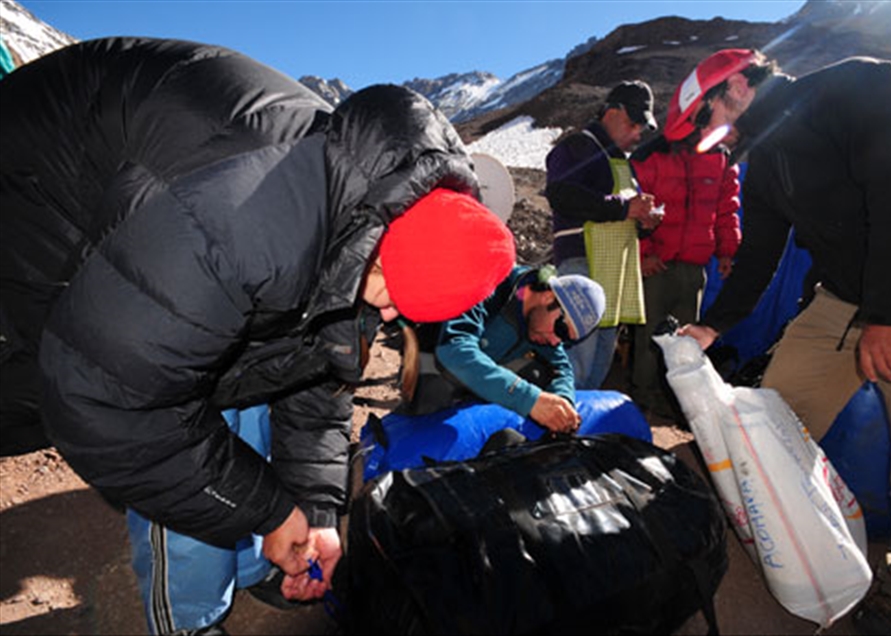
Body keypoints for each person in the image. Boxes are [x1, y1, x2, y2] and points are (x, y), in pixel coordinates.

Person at [0, 37, 516, 635]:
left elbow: (320, 379)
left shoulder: (377, 216)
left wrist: (315, 513)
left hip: (149, 241)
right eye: (395, 298)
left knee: (237, 384)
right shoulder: (247, 220)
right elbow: (117, 405)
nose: (393, 318)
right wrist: (269, 511)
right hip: (33, 208)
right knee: (179, 417)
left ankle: (249, 564)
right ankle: (188, 619)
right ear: (381, 255)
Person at [673, 48, 891, 635]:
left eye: (706, 121)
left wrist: (888, 313)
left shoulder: (858, 85)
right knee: (773, 411)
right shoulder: (766, 159)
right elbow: (756, 257)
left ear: (736, 88)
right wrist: (713, 325)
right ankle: (770, 524)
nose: (707, 137)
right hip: (844, 298)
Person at [628, 96, 741, 418]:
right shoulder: (652, 154)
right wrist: (643, 255)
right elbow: (633, 207)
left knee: (685, 339)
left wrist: (727, 251)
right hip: (656, 264)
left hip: (694, 266)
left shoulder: (721, 159)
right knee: (648, 336)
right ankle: (642, 400)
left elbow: (726, 210)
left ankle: (672, 400)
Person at [545, 80, 662, 390]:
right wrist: (625, 207)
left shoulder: (620, 159)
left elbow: (622, 211)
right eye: (633, 123)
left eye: (642, 128)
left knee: (599, 360)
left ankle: (579, 421)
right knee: (578, 360)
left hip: (615, 272)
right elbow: (562, 195)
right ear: (612, 112)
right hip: (582, 261)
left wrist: (643, 221)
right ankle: (562, 421)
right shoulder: (576, 147)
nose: (638, 134)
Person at [417, 265, 606, 434]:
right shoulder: (492, 283)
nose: (556, 341)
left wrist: (561, 404)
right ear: (548, 297)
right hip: (435, 361)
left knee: (538, 374)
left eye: (567, 339)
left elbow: (561, 370)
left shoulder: (544, 325)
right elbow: (455, 350)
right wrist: (529, 399)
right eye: (561, 330)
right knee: (432, 401)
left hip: (481, 377)